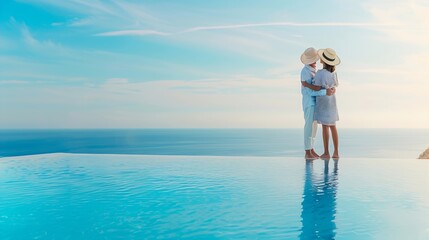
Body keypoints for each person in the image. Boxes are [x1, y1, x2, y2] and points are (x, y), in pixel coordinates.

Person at [300, 47, 335, 160]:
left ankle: (311, 149)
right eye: (314, 60)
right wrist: (325, 91)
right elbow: (309, 91)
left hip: (315, 103)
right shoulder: (305, 72)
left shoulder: (313, 71)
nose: (316, 62)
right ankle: (307, 151)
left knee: (314, 128)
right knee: (309, 127)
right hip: (309, 103)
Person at [312, 48, 341, 160]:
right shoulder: (334, 73)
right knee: (333, 126)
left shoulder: (320, 73)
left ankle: (326, 152)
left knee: (325, 126)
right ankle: (336, 152)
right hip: (332, 100)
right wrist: (332, 89)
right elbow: (335, 85)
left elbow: (316, 86)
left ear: (323, 61)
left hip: (324, 101)